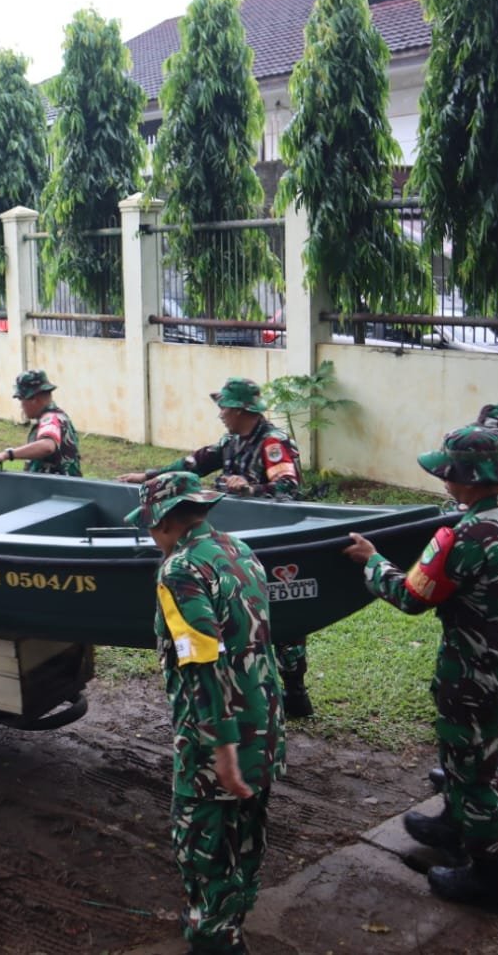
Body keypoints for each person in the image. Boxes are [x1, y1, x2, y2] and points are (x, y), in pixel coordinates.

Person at [341, 426, 498, 914]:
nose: (442, 480)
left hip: (476, 678)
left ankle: (488, 880)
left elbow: (411, 596)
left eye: (447, 473)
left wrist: (373, 562)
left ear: (464, 478)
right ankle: (455, 828)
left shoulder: (460, 537)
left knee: (474, 779)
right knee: (478, 755)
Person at [126, 472, 283, 955]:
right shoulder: (239, 550)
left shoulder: (179, 570)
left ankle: (216, 938)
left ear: (164, 521)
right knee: (246, 832)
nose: (151, 536)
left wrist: (222, 746)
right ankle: (230, 920)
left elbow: (201, 661)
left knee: (203, 841)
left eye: (149, 526)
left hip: (217, 733)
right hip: (264, 721)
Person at [119, 377, 314, 719]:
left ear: (240, 410)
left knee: (282, 617)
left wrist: (251, 488)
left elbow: (289, 489)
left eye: (223, 407)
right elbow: (193, 464)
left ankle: (295, 690)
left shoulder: (273, 442)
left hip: (274, 536)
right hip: (236, 536)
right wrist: (150, 476)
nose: (220, 413)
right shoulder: (231, 441)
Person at [0, 369, 81, 476]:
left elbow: (47, 446)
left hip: (56, 485)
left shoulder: (50, 418)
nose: (21, 406)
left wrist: (6, 454)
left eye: (21, 399)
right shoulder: (60, 416)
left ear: (34, 399)